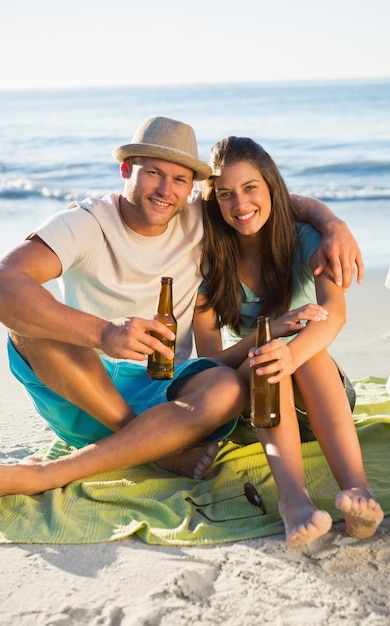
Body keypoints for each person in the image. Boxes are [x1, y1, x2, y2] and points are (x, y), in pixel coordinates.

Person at [0, 117, 364, 497]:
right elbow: (6, 283)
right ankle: (145, 450)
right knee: (27, 323)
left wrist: (333, 223)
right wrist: (103, 333)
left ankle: (132, 449)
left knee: (229, 385)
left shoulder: (197, 215)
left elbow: (267, 200)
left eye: (179, 179)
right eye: (153, 172)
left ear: (192, 187)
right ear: (126, 169)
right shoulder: (86, 223)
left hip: (168, 397)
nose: (166, 189)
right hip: (86, 390)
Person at [193, 135, 384, 547]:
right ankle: (293, 502)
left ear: (271, 188)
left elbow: (335, 314)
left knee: (297, 350)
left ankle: (357, 490)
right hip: (252, 411)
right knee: (269, 355)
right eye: (225, 194)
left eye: (250, 188)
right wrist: (272, 334)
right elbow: (209, 366)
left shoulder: (304, 239)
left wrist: (289, 350)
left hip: (320, 403)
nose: (240, 205)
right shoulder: (209, 259)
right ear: (214, 201)